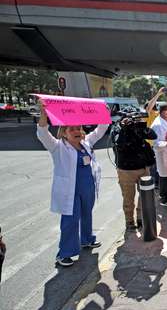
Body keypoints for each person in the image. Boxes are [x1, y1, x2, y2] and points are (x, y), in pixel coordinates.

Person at [36, 103, 109, 267]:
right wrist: (43, 113)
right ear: (64, 133)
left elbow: (101, 129)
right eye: (72, 129)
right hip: (70, 191)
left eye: (78, 129)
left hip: (88, 188)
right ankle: (65, 253)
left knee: (87, 214)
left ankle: (87, 239)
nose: (76, 132)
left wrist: (103, 112)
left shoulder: (86, 143)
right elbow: (42, 133)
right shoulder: (58, 147)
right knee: (70, 220)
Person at [111, 115, 157, 231]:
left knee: (144, 197)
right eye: (129, 119)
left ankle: (141, 218)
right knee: (128, 198)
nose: (132, 122)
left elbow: (153, 135)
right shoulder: (117, 128)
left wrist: (142, 126)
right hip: (126, 170)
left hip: (143, 168)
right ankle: (129, 222)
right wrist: (124, 128)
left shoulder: (138, 127)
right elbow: (119, 144)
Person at [145, 87, 167, 187]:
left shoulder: (158, 114)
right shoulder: (147, 114)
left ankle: (158, 184)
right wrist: (158, 94)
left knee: (159, 166)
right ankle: (154, 184)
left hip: (160, 143)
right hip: (150, 144)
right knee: (153, 165)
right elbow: (149, 107)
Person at [150, 103, 167, 206]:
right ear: (164, 112)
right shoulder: (158, 124)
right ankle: (165, 199)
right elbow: (156, 144)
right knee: (164, 177)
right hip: (163, 154)